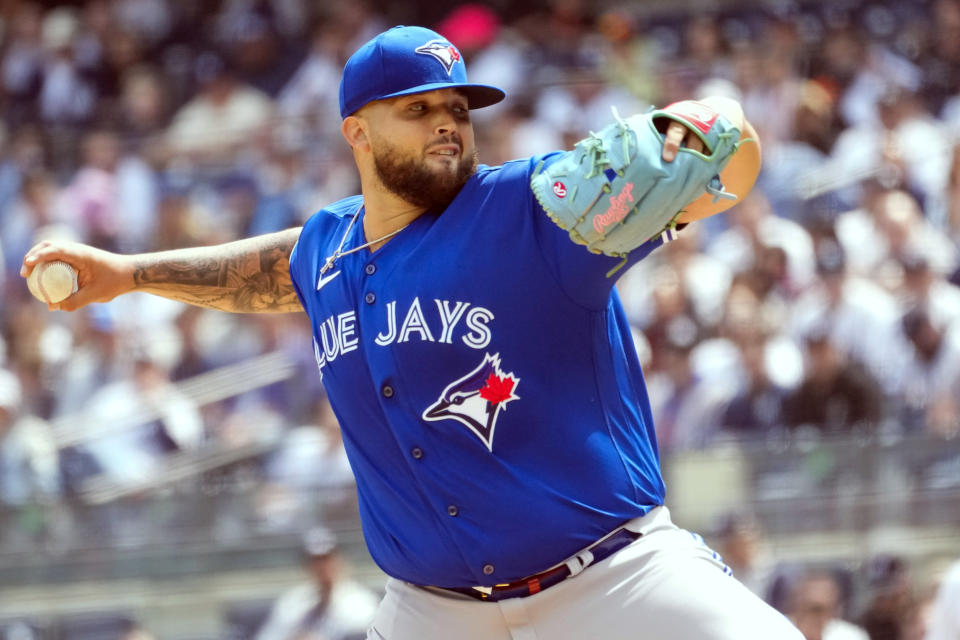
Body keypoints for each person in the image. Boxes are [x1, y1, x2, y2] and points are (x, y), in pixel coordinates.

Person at [21, 25, 800, 640]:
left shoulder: (535, 208)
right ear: (357, 132)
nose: (447, 126)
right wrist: (128, 274)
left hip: (614, 583)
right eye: (419, 109)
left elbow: (726, 148)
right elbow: (271, 268)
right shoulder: (328, 248)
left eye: (458, 110)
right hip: (434, 613)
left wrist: (714, 128)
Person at [256, 526, 379, 640]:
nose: (322, 567)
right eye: (315, 561)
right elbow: (269, 636)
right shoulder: (293, 600)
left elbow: (363, 634)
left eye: (327, 559)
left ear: (341, 561)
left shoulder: (361, 600)